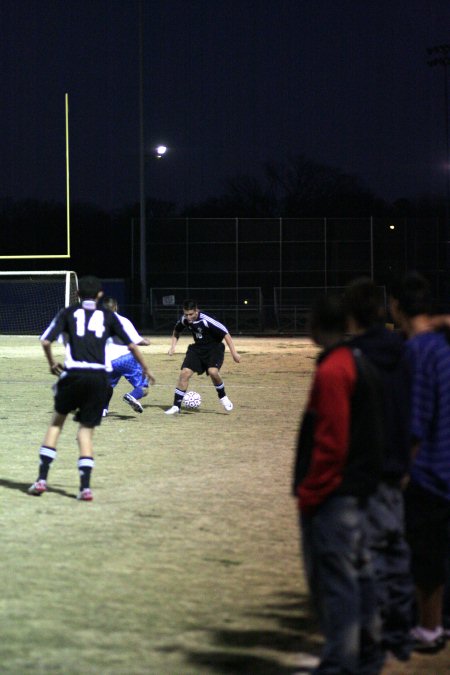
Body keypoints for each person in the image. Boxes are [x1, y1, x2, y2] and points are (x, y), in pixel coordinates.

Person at [292, 294, 386, 674]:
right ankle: (368, 653)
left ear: (316, 326)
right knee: (358, 576)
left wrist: (311, 493)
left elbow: (332, 442)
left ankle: (341, 663)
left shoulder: (334, 369)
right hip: (356, 489)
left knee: (337, 584)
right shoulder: (358, 361)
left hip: (334, 496)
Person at [28, 275, 153, 501]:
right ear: (99, 295)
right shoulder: (108, 316)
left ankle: (41, 480)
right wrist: (146, 368)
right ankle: (85, 488)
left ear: (77, 295)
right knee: (85, 432)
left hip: (73, 374)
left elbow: (45, 341)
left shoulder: (67, 313)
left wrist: (51, 364)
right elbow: (133, 345)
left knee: (56, 425)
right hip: (98, 378)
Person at [344, 277, 414, 662]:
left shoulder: (349, 356)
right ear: (383, 311)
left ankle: (370, 643)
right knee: (394, 549)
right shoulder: (404, 350)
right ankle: (401, 633)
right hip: (397, 465)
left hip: (360, 470)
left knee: (360, 557)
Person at [389, 271, 450, 653]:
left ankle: (428, 630)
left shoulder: (416, 351)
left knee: (424, 554)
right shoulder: (443, 345)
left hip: (429, 471)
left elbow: (415, 422)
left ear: (396, 306)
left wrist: (402, 473)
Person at [165, 299, 240, 415]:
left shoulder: (206, 319)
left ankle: (223, 397)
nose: (188, 317)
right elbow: (176, 330)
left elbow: (225, 333)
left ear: (196, 311)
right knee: (185, 373)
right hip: (197, 349)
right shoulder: (184, 319)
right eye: (186, 314)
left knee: (213, 372)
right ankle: (176, 406)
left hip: (214, 348)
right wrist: (172, 346)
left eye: (191, 314)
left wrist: (234, 353)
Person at [102, 297, 155, 415]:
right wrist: (145, 341)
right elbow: (135, 341)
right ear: (116, 307)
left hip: (108, 362)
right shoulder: (123, 321)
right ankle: (131, 396)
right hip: (126, 359)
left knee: (107, 386)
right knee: (143, 388)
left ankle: (103, 410)